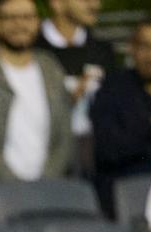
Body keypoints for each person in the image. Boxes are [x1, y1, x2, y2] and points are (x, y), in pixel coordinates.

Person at [0, 0, 73, 204]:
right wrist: (15, 186)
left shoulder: (51, 68)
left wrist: (44, 182)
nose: (20, 25)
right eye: (11, 18)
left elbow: (64, 135)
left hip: (48, 190)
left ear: (37, 22)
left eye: (27, 17)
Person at [90, 16, 151, 214]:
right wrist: (150, 126)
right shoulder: (113, 90)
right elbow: (108, 151)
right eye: (146, 47)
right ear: (132, 48)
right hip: (127, 197)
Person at [36, 0, 116, 154]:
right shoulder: (30, 47)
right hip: (45, 150)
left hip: (94, 152)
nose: (95, 5)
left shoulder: (102, 50)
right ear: (56, 3)